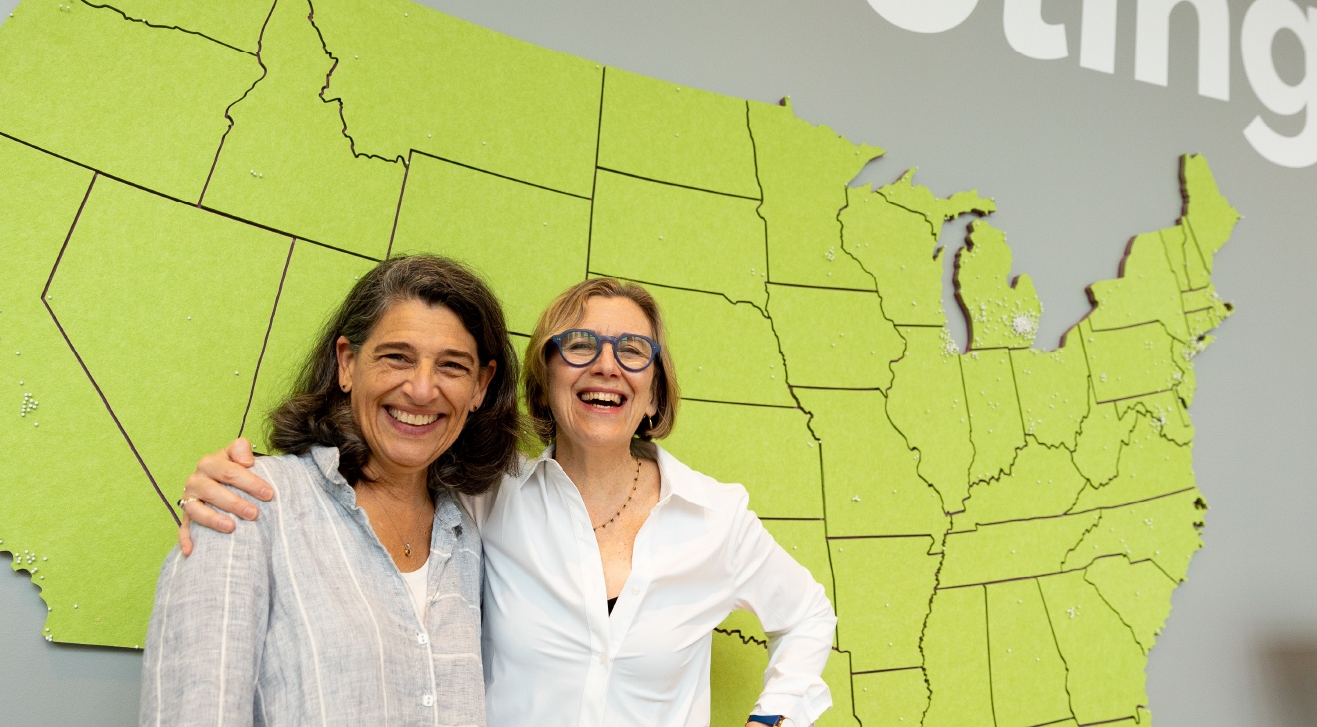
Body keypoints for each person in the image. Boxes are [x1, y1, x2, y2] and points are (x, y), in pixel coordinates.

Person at [181, 277, 837, 726]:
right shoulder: (484, 497)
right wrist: (234, 478)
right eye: (579, 346)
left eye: (633, 351)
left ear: (657, 392)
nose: (607, 366)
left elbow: (808, 615)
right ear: (543, 386)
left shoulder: (716, 518)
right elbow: (379, 470)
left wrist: (772, 719)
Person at [143, 254, 522, 726]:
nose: (423, 390)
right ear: (347, 363)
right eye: (396, 357)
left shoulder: (471, 537)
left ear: (480, 386)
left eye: (452, 366)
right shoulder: (246, 504)